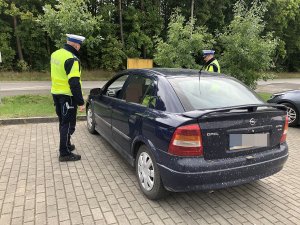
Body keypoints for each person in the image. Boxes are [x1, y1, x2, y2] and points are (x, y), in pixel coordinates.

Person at [51, 34, 86, 162]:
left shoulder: (55, 54)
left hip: (56, 93)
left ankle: (67, 145)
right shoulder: (72, 59)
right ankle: (64, 153)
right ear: (76, 45)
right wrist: (80, 102)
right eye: (79, 46)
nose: (79, 48)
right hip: (67, 96)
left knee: (62, 122)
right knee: (69, 124)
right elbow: (74, 83)